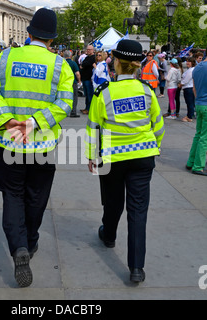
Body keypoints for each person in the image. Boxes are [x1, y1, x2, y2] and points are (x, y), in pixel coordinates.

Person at [0, 7, 74, 287]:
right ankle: (31, 241)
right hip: (41, 146)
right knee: (36, 197)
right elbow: (65, 103)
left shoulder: (6, 56)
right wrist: (34, 122)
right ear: (52, 39)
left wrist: (7, 120)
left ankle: (18, 246)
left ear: (30, 32)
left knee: (12, 196)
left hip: (9, 142)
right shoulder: (61, 65)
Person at [85, 39, 164, 283]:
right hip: (143, 158)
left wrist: (92, 155)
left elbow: (94, 128)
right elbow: (158, 126)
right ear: (138, 64)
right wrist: (154, 147)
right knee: (138, 212)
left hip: (113, 158)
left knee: (112, 201)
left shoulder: (104, 93)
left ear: (116, 63)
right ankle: (137, 268)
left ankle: (109, 235)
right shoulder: (147, 91)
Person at [186, 59, 207, 176]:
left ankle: (191, 162)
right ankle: (198, 166)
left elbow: (194, 88)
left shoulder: (197, 68)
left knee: (198, 134)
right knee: (205, 138)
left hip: (199, 104)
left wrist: (198, 101)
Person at [63, 50, 81, 118]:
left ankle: (65, 111)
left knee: (64, 97)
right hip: (72, 82)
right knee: (74, 97)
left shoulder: (62, 63)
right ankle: (73, 112)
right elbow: (77, 73)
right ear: (70, 56)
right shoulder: (73, 63)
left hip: (63, 82)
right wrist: (79, 80)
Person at [80, 45, 95, 114]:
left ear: (93, 50)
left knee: (89, 95)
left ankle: (89, 109)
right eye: (87, 49)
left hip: (89, 79)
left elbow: (85, 64)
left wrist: (83, 65)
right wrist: (83, 64)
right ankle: (86, 108)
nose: (88, 50)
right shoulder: (86, 57)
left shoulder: (93, 58)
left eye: (89, 49)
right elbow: (82, 63)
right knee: (86, 95)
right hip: (85, 78)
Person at [180, 57, 196, 122]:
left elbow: (186, 80)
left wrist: (180, 84)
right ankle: (190, 115)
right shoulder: (192, 69)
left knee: (189, 103)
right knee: (191, 103)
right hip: (190, 88)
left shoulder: (191, 70)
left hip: (188, 88)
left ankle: (189, 116)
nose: (187, 63)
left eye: (189, 62)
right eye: (187, 61)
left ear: (192, 63)